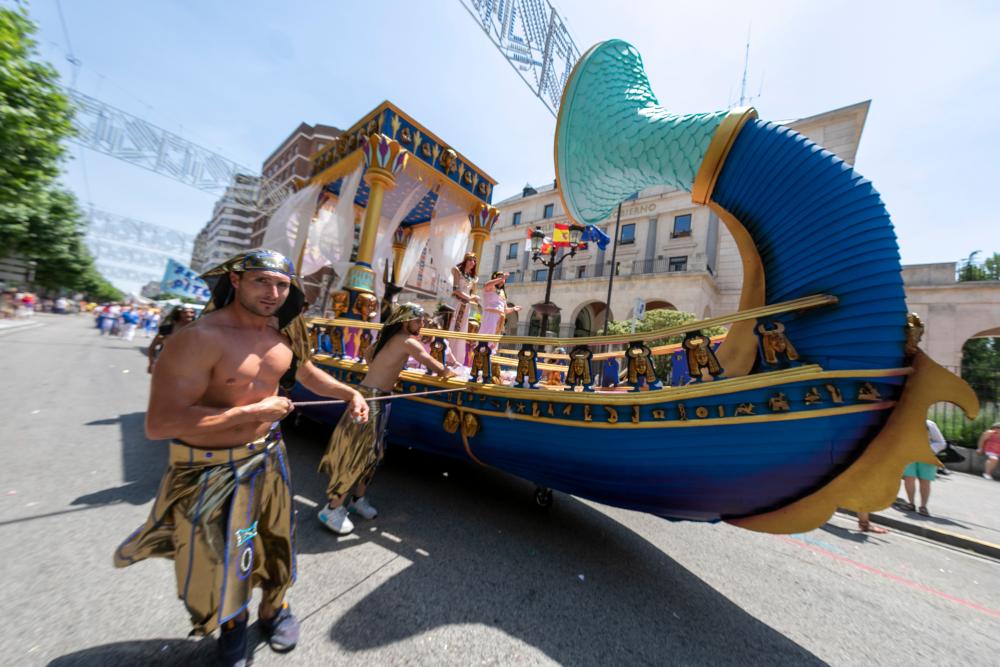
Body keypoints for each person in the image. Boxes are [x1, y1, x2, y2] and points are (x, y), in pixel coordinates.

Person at [114, 249, 369, 666]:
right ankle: (232, 625)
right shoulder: (197, 339)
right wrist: (251, 412)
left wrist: (349, 393)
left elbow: (306, 373)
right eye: (261, 281)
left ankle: (274, 609)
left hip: (268, 458)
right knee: (217, 556)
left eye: (281, 285)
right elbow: (159, 424)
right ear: (235, 280)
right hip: (206, 467)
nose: (272, 293)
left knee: (277, 542)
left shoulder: (282, 336)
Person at [318, 303, 454, 535]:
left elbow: (367, 354)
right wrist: (449, 372)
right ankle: (331, 508)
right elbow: (431, 362)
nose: (421, 324)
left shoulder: (386, 338)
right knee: (359, 453)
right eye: (418, 320)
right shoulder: (408, 341)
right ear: (405, 321)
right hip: (371, 399)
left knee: (375, 453)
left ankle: (357, 499)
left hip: (377, 398)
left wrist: (382, 371)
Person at [897, 419, 945, 516]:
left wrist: (928, 449)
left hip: (927, 456)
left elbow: (941, 442)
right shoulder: (906, 422)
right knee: (909, 479)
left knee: (925, 481)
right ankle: (911, 503)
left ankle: (923, 506)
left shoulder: (929, 424)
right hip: (909, 455)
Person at [449, 252, 479, 362]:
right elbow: (455, 290)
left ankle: (456, 359)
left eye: (474, 261)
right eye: (470, 260)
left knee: (461, 331)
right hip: (456, 304)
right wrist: (470, 298)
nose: (472, 262)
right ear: (465, 261)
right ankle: (448, 357)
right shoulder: (457, 271)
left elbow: (471, 292)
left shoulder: (473, 278)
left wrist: (474, 297)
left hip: (466, 306)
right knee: (452, 328)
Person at [147, 306, 195, 373]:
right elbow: (152, 347)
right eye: (185, 312)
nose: (189, 314)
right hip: (164, 365)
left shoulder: (196, 331)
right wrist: (151, 362)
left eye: (192, 312)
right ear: (178, 314)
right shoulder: (166, 329)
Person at [480, 272, 520, 343]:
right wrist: (502, 278)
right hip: (490, 315)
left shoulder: (502, 292)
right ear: (495, 278)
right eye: (500, 277)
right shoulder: (491, 287)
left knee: (494, 341)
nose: (502, 279)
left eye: (503, 278)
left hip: (500, 318)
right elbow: (487, 285)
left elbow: (505, 310)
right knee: (486, 337)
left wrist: (513, 309)